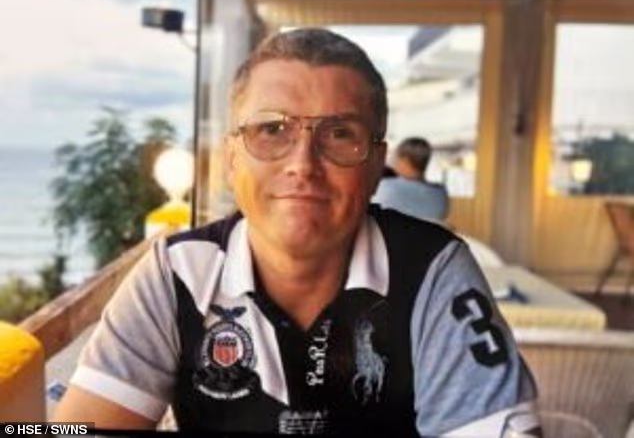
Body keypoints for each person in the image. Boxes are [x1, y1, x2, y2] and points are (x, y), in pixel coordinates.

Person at [54, 28, 538, 436]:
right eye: (271, 130)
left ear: (377, 166)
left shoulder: (431, 270)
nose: (303, 164)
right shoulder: (176, 274)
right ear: (231, 159)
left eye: (340, 133)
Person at [373, 137, 449, 223]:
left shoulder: (385, 187)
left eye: (396, 157)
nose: (394, 161)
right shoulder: (440, 193)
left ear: (405, 159)